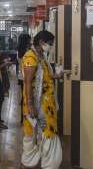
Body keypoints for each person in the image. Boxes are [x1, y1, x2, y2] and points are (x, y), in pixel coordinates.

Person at [21, 30, 62, 169]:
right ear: (41, 42)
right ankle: (40, 161)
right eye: (49, 44)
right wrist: (31, 105)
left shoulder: (41, 56)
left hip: (47, 103)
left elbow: (47, 76)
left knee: (46, 132)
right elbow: (27, 83)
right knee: (41, 132)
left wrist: (57, 75)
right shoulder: (30, 58)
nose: (50, 46)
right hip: (38, 104)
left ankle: (46, 161)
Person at [17, 34, 32, 123]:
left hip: (21, 75)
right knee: (27, 96)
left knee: (24, 96)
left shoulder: (19, 50)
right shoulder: (27, 51)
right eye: (29, 40)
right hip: (27, 75)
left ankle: (23, 118)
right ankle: (26, 117)